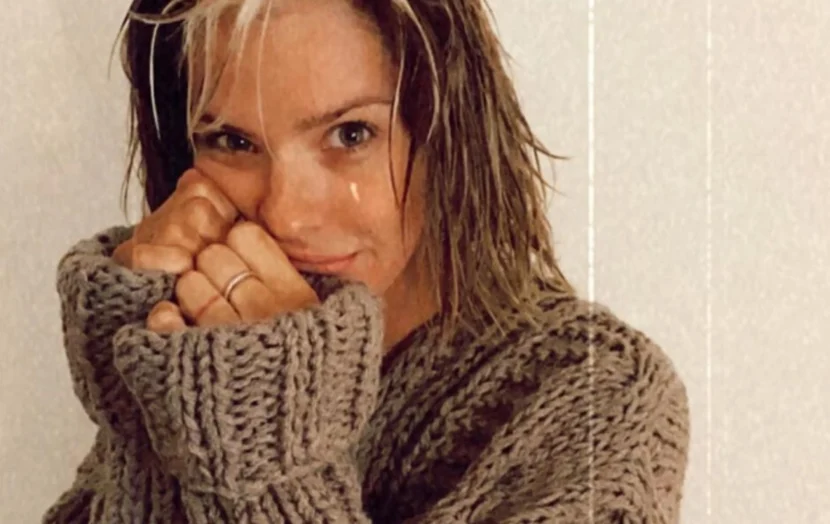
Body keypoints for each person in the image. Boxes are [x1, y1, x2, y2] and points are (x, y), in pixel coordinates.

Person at [44, 0, 690, 522]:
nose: (287, 215)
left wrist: (270, 444)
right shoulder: (199, 341)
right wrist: (147, 384)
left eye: (350, 134)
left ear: (447, 130)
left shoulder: (600, 399)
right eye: (232, 141)